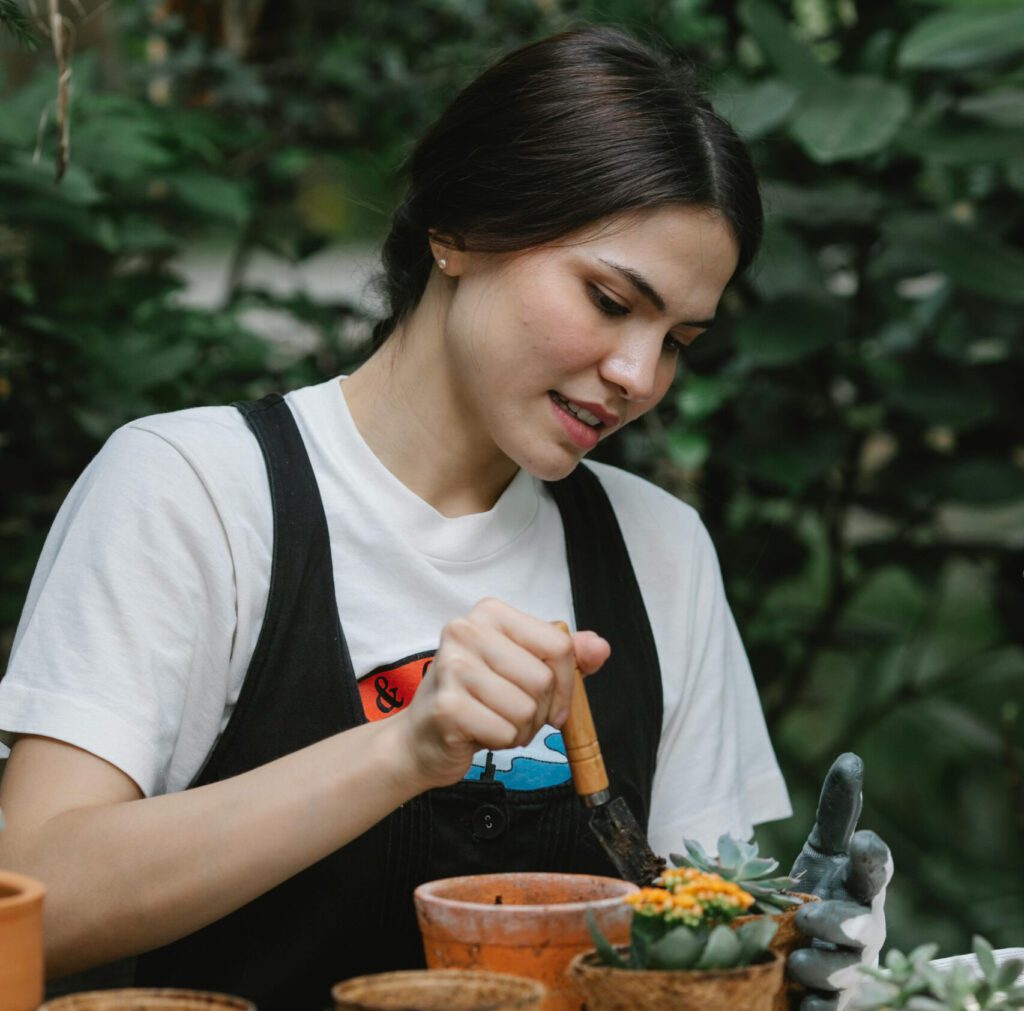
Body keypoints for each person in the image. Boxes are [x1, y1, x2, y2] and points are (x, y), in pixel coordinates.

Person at [0, 25, 889, 1011]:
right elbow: (38, 905)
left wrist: (765, 945)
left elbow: (676, 941)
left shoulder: (655, 550)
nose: (640, 377)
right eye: (606, 300)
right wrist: (403, 751)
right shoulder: (198, 489)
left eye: (678, 338)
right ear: (459, 230)